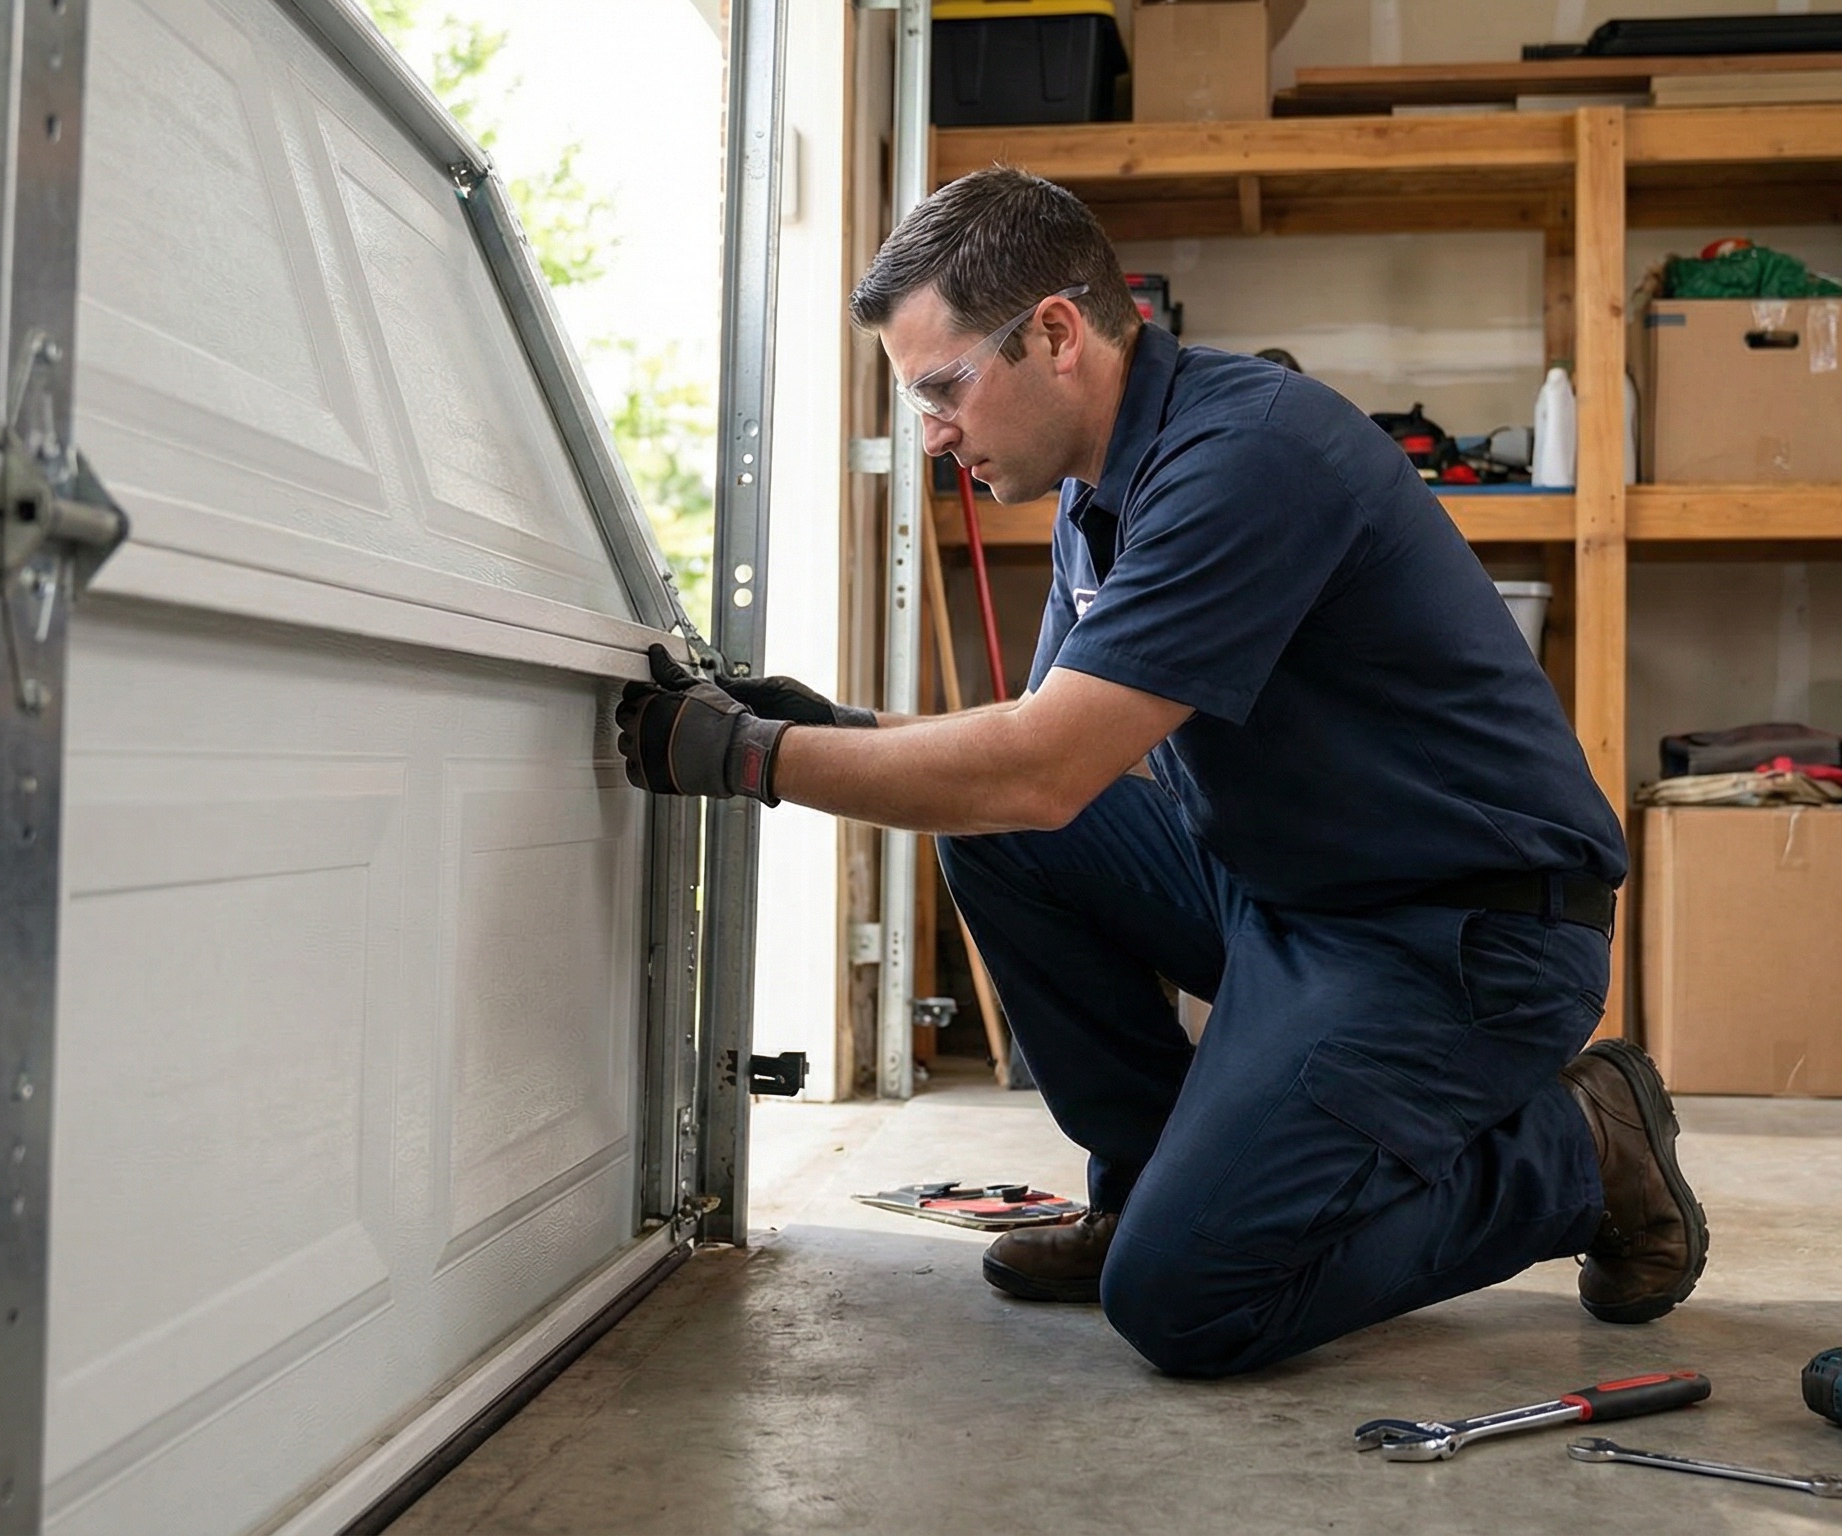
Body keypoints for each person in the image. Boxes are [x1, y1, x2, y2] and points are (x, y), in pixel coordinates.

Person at [612, 167, 1706, 1379]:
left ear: (1056, 334)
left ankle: (1577, 1149)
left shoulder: (1246, 458)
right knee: (998, 833)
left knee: (1189, 1302)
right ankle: (1149, 1184)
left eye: (942, 389)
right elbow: (1036, 747)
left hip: (1458, 938)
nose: (933, 434)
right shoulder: (1097, 493)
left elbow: (1035, 769)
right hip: (1289, 894)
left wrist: (757, 758)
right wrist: (840, 724)